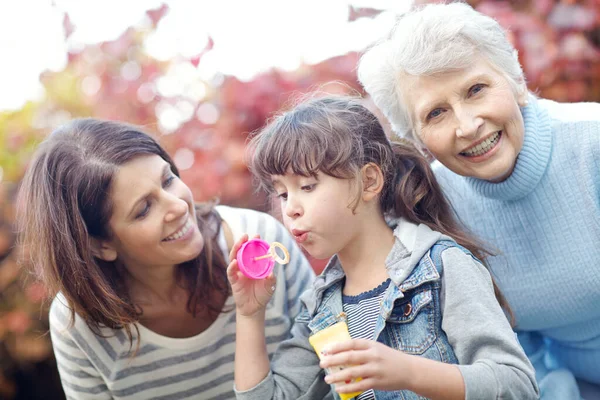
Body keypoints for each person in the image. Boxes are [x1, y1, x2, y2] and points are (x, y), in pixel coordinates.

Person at [357, 2, 600, 399]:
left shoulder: (592, 144)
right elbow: (511, 347)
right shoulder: (436, 205)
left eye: (476, 90)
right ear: (418, 140)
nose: (467, 126)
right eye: (436, 113)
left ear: (516, 82)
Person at [226, 96, 538, 399]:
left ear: (370, 181)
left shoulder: (441, 267)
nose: (291, 208)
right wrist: (249, 314)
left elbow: (516, 384)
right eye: (282, 194)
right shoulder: (320, 308)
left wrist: (410, 373)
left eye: (307, 186)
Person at [16, 118, 315, 400]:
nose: (179, 207)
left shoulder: (259, 243)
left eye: (168, 179)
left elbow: (328, 359)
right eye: (144, 209)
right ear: (99, 246)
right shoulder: (79, 324)